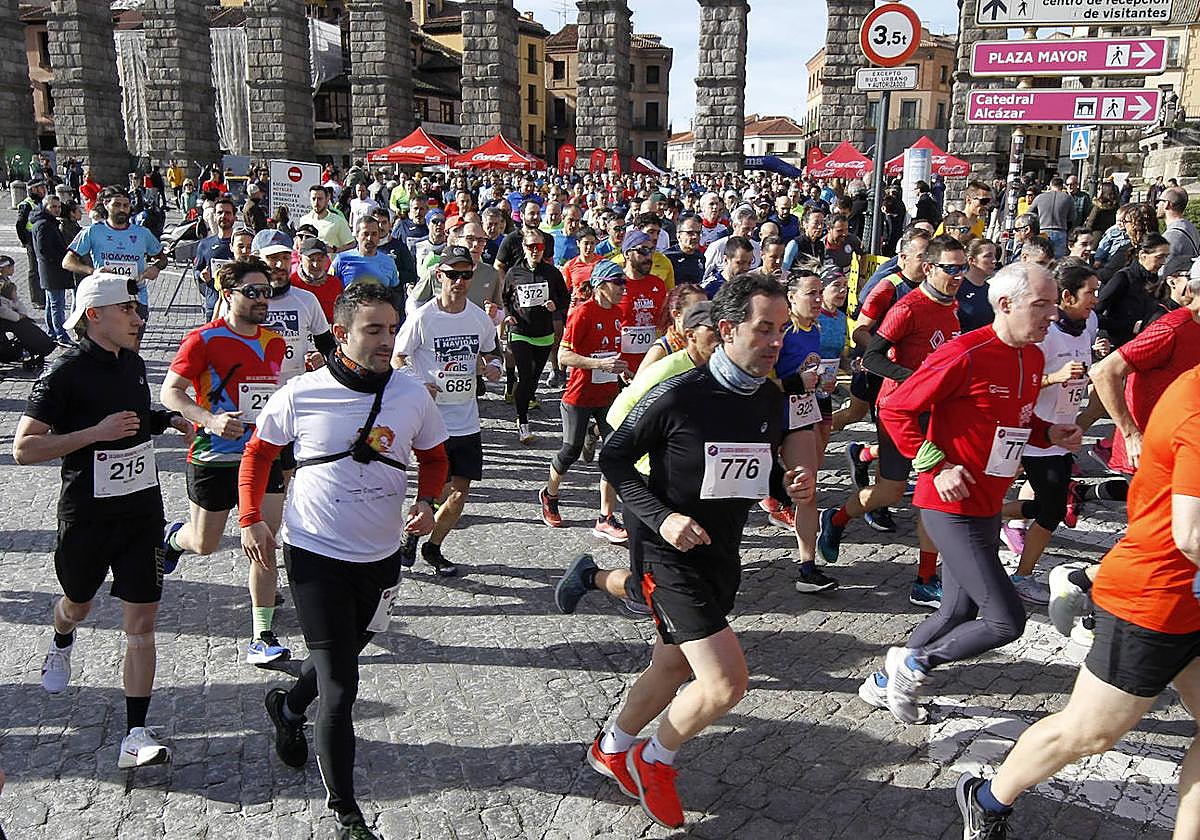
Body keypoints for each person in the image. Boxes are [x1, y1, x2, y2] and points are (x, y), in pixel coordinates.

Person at [588, 274, 814, 830]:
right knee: (724, 683)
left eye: (781, 331)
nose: (775, 342)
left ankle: (612, 745)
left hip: (720, 550)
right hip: (666, 553)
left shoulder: (767, 396)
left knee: (670, 662)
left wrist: (790, 485)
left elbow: (753, 470)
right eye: (764, 330)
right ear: (728, 329)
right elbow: (612, 460)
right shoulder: (677, 393)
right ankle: (653, 758)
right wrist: (663, 519)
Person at [955, 361, 1200, 840]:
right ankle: (986, 799)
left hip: (1190, 600)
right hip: (1155, 601)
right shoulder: (1196, 405)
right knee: (1090, 733)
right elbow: (1192, 534)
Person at [240, 282, 449, 840]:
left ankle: (287, 707)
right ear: (343, 334)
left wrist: (427, 503)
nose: (387, 340)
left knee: (342, 654)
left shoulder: (411, 394)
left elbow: (433, 456)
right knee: (342, 687)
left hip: (380, 556)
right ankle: (347, 815)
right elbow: (259, 454)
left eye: (391, 328)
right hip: (314, 551)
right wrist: (250, 518)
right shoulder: (301, 392)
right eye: (373, 330)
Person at [857, 262, 1083, 725]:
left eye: (1054, 303)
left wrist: (1049, 434)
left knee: (957, 609)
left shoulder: (1034, 357)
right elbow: (897, 407)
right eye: (1041, 305)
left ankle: (883, 682)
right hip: (948, 505)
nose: (1052, 315)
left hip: (986, 502)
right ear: (1005, 304)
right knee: (1006, 621)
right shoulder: (965, 352)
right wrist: (935, 465)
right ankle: (915, 666)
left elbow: (1016, 422)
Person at [12, 272, 193, 768]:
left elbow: (135, 417)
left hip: (141, 511)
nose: (139, 318)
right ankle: (61, 639)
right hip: (88, 516)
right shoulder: (63, 372)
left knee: (142, 622)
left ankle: (135, 733)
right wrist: (95, 432)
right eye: (128, 311)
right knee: (78, 604)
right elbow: (24, 448)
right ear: (96, 315)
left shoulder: (132, 363)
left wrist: (169, 420)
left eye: (138, 309)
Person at [822, 235, 969, 608]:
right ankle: (836, 519)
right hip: (899, 411)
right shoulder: (908, 308)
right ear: (930, 268)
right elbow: (870, 358)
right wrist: (914, 379)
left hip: (935, 411)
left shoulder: (951, 307)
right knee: (889, 492)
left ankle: (925, 579)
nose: (958, 276)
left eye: (962, 268)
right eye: (951, 269)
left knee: (932, 495)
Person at [160, 259, 291, 665]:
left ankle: (262, 634)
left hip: (262, 454)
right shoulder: (203, 340)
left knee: (265, 539)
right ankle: (172, 538)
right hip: (214, 457)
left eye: (265, 291)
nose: (261, 299)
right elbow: (171, 392)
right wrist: (210, 420)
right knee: (206, 543)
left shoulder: (275, 341)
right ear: (227, 294)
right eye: (251, 292)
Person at [392, 246, 503, 577]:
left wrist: (493, 367)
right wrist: (415, 382)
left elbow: (491, 352)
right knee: (435, 489)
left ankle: (432, 547)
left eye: (466, 275)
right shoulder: (423, 317)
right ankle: (414, 530)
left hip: (467, 419)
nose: (459, 281)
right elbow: (398, 358)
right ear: (438, 275)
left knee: (458, 496)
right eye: (452, 274)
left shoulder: (478, 318)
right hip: (433, 421)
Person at [998, 259, 1104, 605]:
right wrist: (1055, 378)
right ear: (1069, 296)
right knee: (1053, 508)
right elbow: (1019, 381)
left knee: (1049, 506)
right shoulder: (1045, 333)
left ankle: (990, 514)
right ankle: (1022, 575)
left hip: (1061, 432)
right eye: (1091, 293)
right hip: (1033, 434)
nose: (1096, 299)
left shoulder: (1086, 326)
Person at [538, 259, 631, 542]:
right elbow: (564, 357)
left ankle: (605, 517)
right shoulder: (582, 313)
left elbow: (611, 353)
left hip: (607, 397)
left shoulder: (617, 312)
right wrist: (598, 365)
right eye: (618, 283)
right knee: (570, 451)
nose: (623, 289)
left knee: (615, 453)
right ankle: (549, 495)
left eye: (624, 283)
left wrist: (623, 369)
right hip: (578, 395)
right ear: (601, 286)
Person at [502, 226, 570, 443]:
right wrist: (508, 315)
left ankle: (522, 399)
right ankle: (523, 421)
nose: (535, 250)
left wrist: (555, 306)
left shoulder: (552, 273)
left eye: (539, 246)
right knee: (525, 374)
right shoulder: (514, 272)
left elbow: (565, 298)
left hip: (544, 333)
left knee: (533, 378)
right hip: (520, 332)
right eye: (530, 246)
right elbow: (505, 298)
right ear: (523, 247)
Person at [64, 187, 165, 322]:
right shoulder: (92, 231)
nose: (122, 209)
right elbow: (67, 261)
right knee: (107, 342)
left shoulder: (143, 233)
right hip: (105, 298)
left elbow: (162, 258)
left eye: (126, 205)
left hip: (136, 298)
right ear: (106, 205)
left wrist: (156, 268)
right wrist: (92, 271)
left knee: (134, 341)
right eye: (117, 205)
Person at [1095, 232, 1170, 348]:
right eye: (1159, 257)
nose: (1163, 262)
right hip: (1117, 345)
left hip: (1143, 345)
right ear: (1142, 255)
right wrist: (1130, 326)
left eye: (1166, 257)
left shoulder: (1157, 281)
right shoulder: (1123, 278)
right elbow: (1094, 314)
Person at [30, 194, 75, 346]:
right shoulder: (44, 224)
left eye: (58, 207)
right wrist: (62, 259)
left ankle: (52, 332)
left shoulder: (47, 222)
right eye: (53, 207)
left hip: (50, 269)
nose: (57, 210)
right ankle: (61, 335)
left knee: (52, 303)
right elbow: (44, 250)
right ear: (45, 207)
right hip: (52, 270)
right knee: (57, 305)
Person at [192, 196, 238, 322]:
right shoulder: (205, 244)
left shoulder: (241, 245)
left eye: (228, 213)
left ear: (234, 217)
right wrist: (201, 276)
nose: (224, 216)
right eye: (220, 213)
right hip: (212, 305)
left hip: (238, 307)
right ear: (215, 216)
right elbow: (197, 270)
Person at [331, 216, 401, 292]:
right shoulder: (341, 260)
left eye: (374, 234)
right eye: (365, 234)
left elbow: (395, 290)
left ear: (379, 237)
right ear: (357, 236)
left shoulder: (389, 262)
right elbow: (329, 286)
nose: (369, 238)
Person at [291, 237, 342, 323]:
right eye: (311, 260)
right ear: (300, 259)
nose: (316, 265)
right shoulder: (292, 284)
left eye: (320, 259)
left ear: (326, 259)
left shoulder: (335, 283)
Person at [16, 178, 47, 308]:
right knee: (34, 269)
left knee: (42, 267)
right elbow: (20, 224)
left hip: (40, 237)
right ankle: (37, 299)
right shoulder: (26, 204)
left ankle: (44, 296)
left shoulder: (40, 202)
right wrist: (25, 241)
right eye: (41, 188)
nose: (44, 190)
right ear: (33, 189)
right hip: (31, 238)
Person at [297, 184, 354, 253]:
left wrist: (335, 250)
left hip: (330, 262)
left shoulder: (338, 221)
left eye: (320, 199)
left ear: (327, 199)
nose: (316, 202)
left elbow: (352, 244)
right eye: (313, 199)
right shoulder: (304, 220)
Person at [957, 238, 997, 333]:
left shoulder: (992, 290)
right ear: (971, 260)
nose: (994, 260)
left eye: (995, 256)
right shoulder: (957, 288)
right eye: (988, 256)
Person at [1158, 185, 1200, 261]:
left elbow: (1163, 269)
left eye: (1159, 201)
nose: (1157, 205)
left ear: (1167, 204)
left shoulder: (1172, 235)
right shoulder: (1190, 226)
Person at [662, 215, 705, 287]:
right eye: (690, 233)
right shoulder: (667, 257)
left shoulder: (700, 257)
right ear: (678, 236)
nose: (695, 237)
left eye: (698, 233)